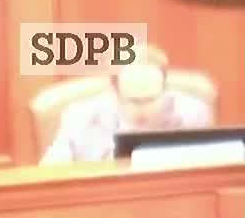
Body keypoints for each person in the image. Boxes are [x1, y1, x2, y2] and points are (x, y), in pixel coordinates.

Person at [39, 46, 215, 165]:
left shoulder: (193, 114)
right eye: (133, 101)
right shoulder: (79, 118)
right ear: (114, 91)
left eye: (150, 100)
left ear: (164, 88)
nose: (142, 110)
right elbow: (50, 176)